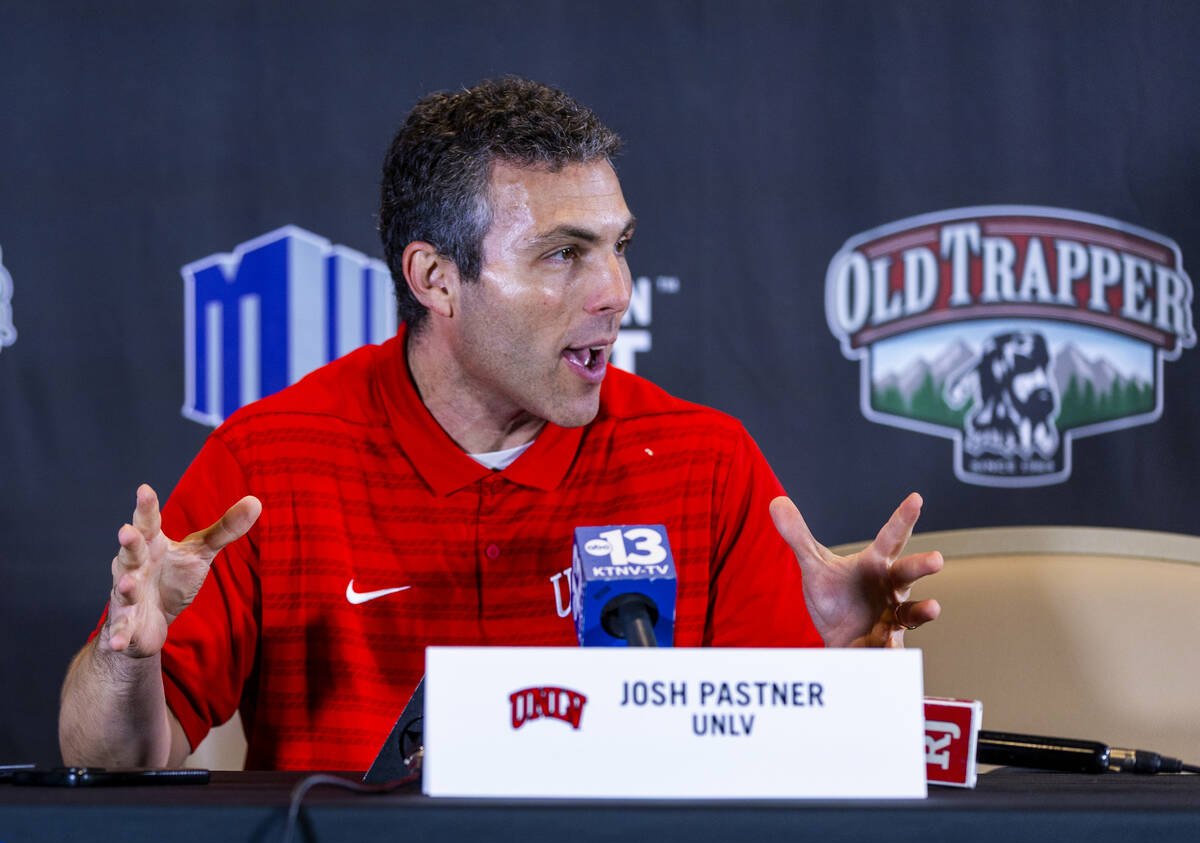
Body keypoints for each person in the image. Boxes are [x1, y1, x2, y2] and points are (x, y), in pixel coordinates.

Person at [58, 77, 942, 771]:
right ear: (436, 279)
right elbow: (107, 761)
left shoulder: (703, 461)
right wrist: (126, 659)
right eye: (564, 254)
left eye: (619, 247)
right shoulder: (269, 462)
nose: (616, 294)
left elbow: (777, 779)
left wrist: (834, 668)